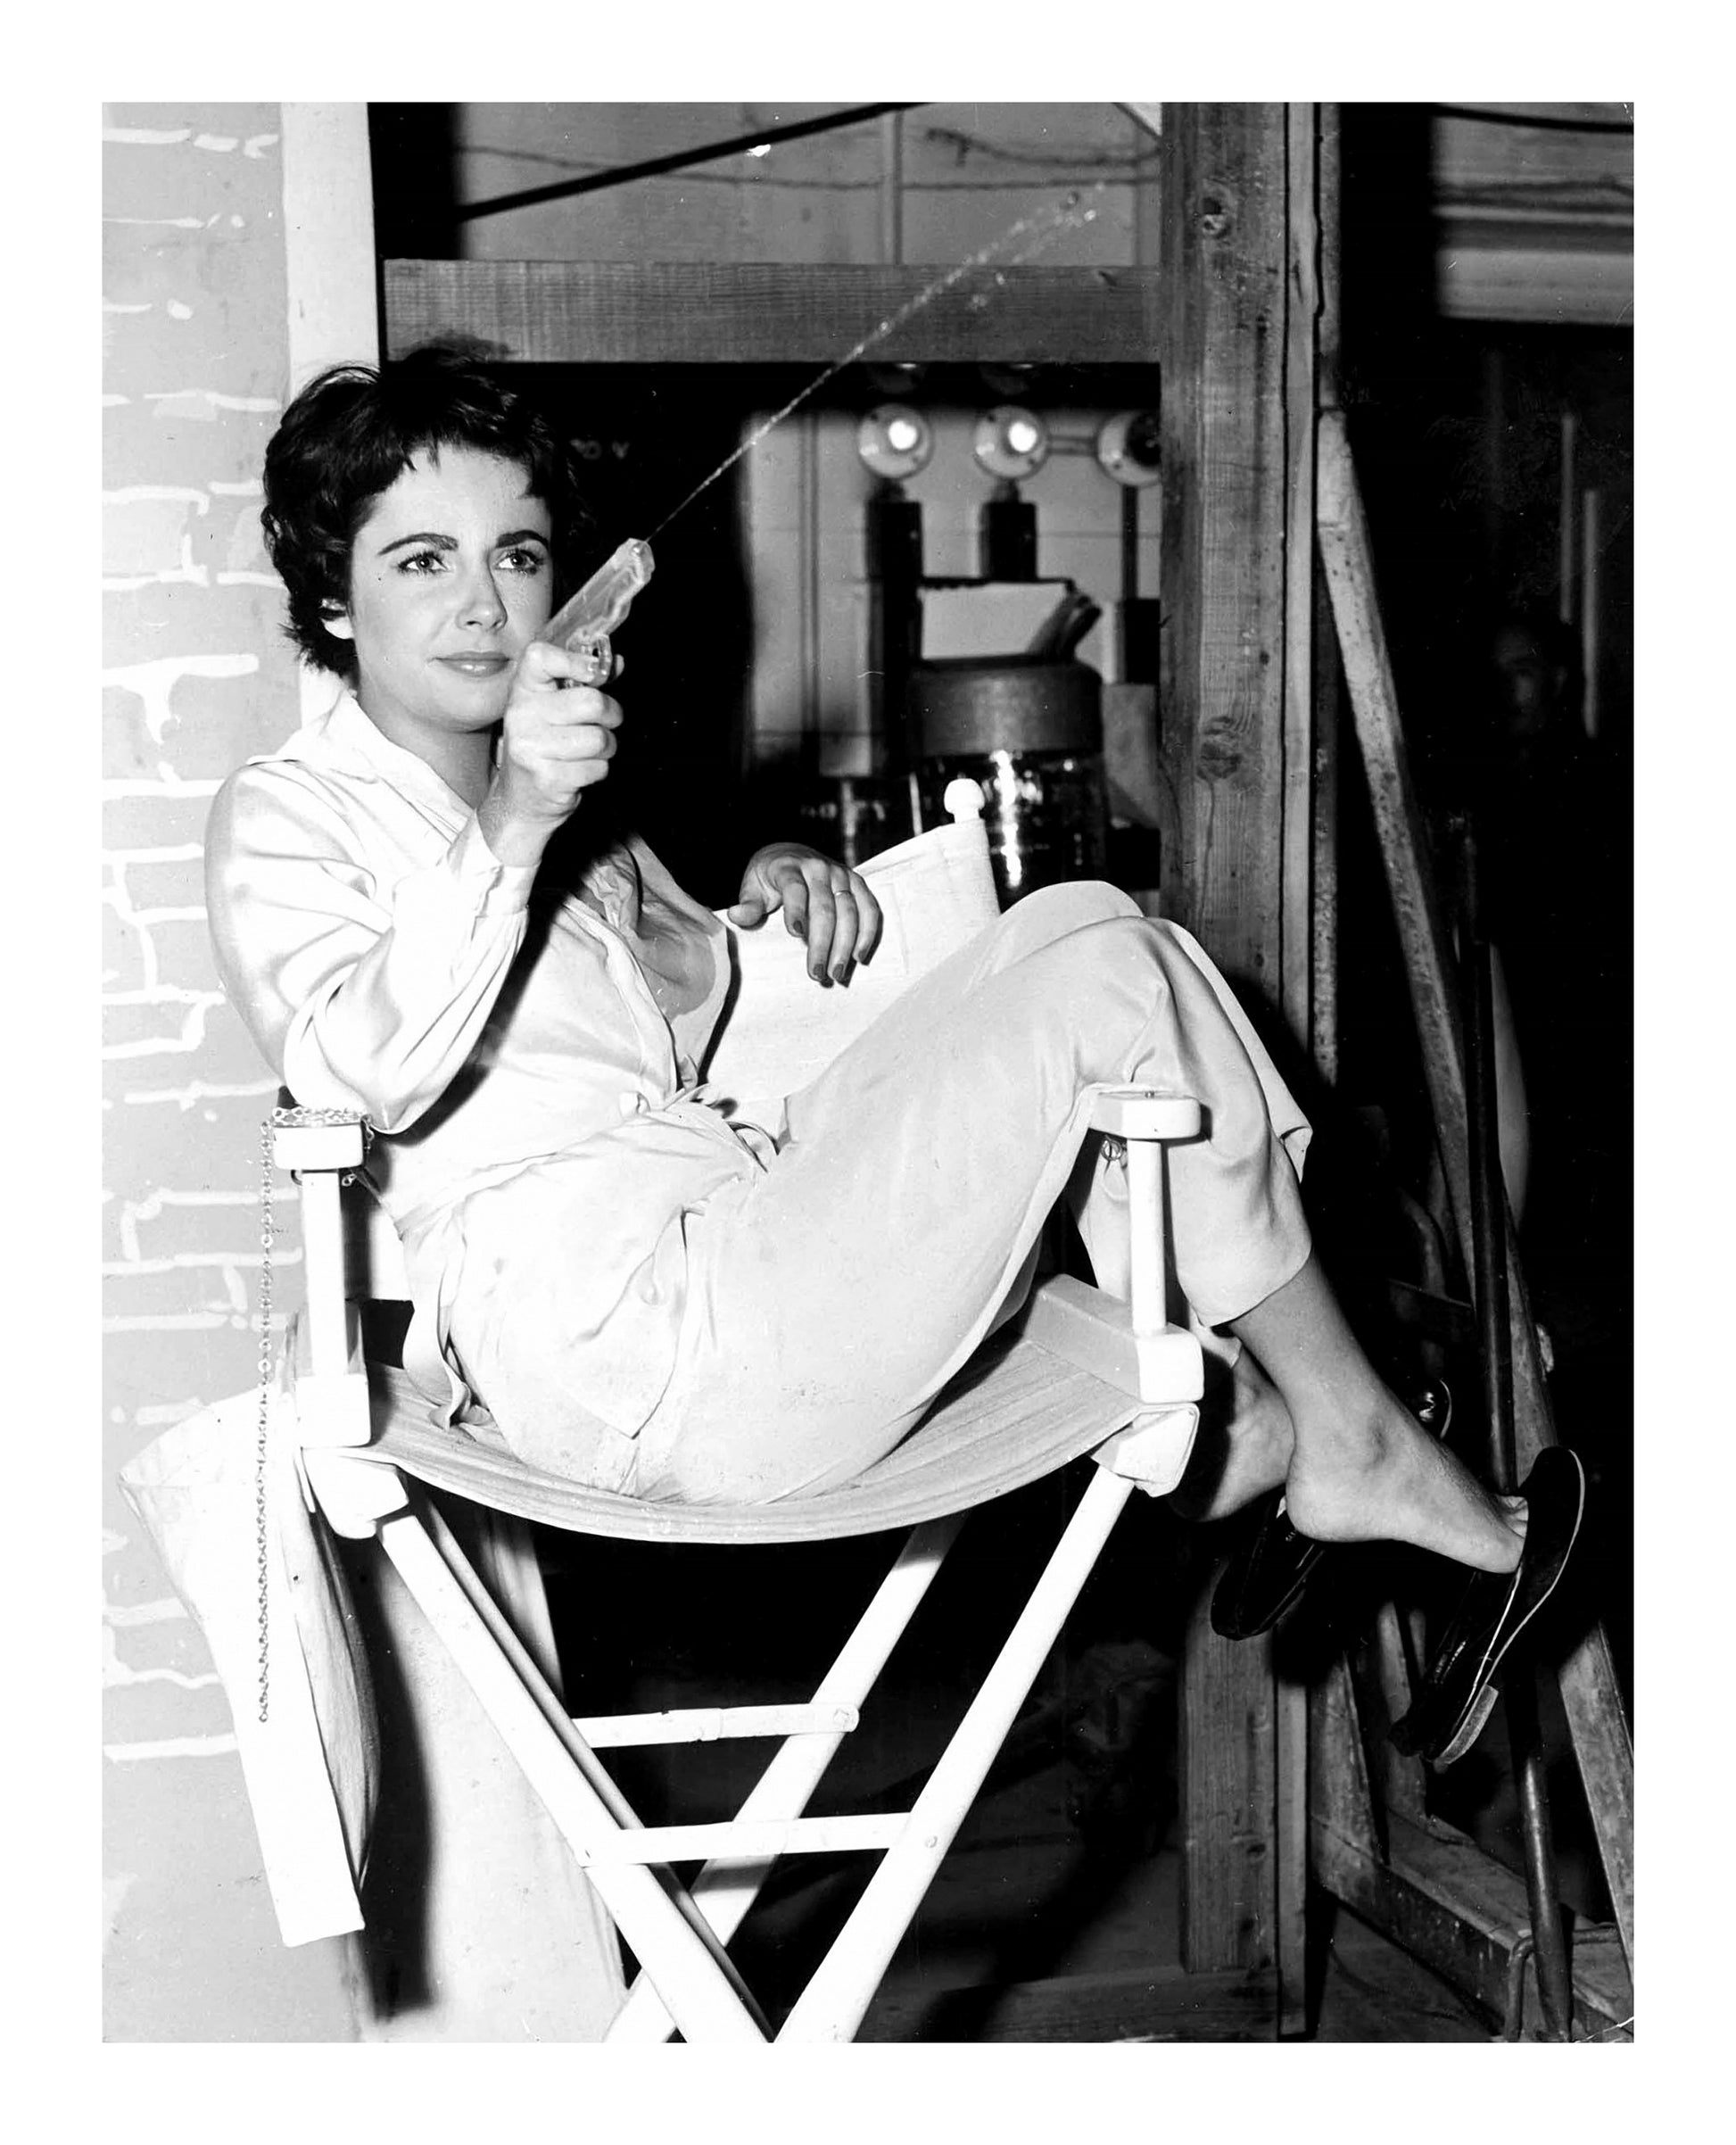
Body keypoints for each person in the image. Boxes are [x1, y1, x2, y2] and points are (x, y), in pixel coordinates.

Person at [204, 351, 1582, 1767]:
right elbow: (356, 1078)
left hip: (738, 1246)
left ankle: (1272, 1427)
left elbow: (677, 1032)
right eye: (421, 560)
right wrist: (515, 819)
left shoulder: (574, 813)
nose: (484, 604)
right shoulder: (291, 817)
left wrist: (768, 893)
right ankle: (1334, 1438)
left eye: (516, 554)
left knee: (1087, 923)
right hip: (632, 1355)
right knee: (1109, 982)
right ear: (333, 598)